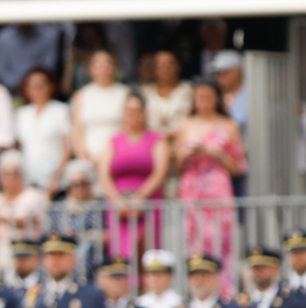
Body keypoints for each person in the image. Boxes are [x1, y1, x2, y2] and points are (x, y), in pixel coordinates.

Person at [175, 81, 245, 291]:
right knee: (193, 240)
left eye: (208, 97)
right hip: (193, 189)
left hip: (218, 189)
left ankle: (224, 289)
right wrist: (187, 154)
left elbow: (238, 167)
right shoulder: (185, 125)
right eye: (199, 97)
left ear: (217, 99)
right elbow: (178, 164)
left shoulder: (228, 125)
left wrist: (216, 153)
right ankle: (197, 289)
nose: (203, 102)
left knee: (221, 241)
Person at [99, 94, 168, 260]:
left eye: (137, 111)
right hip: (119, 206)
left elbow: (160, 172)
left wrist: (140, 197)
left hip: (148, 203)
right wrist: (118, 200)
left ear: (145, 113)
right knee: (120, 253)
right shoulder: (114, 140)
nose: (133, 115)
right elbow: (103, 172)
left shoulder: (157, 139)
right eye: (129, 111)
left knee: (148, 250)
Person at [0, 149, 46, 277]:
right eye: (5, 173)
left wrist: (0, 218)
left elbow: (26, 221)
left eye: (14, 173)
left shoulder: (33, 195)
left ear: (23, 175)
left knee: (10, 251)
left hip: (27, 247)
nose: (10, 177)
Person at [14, 68, 71, 192]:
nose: (37, 89)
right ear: (26, 89)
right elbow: (18, 147)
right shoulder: (21, 114)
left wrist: (56, 178)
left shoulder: (61, 111)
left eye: (41, 85)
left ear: (51, 86)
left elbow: (67, 149)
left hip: (55, 178)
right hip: (28, 180)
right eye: (32, 86)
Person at [70, 50, 129, 163]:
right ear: (90, 69)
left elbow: (129, 127)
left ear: (114, 67)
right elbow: (77, 130)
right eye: (98, 64)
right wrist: (83, 155)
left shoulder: (125, 93)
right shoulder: (80, 95)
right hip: (88, 157)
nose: (103, 67)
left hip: (119, 155)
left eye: (108, 63)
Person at [139, 51, 193, 142]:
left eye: (169, 64)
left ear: (178, 66)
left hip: (182, 140)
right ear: (154, 69)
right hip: (151, 143)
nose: (165, 69)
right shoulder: (145, 92)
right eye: (160, 65)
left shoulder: (188, 90)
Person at [0, 24, 62, 92]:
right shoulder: (3, 37)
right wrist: (20, 85)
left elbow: (49, 67)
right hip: (13, 90)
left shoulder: (49, 35)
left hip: (41, 88)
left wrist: (34, 84)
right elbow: (0, 69)